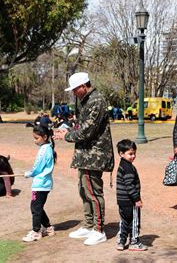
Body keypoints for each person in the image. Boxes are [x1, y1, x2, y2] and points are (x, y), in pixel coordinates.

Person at [54, 72, 114, 246]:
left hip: (94, 154)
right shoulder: (83, 100)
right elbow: (80, 125)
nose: (73, 93)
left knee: (93, 192)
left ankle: (99, 229)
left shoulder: (97, 100)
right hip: (85, 153)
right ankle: (89, 225)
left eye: (75, 90)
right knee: (83, 189)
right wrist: (68, 131)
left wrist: (67, 136)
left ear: (83, 86)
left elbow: (87, 130)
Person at [22, 125, 57, 242]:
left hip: (41, 184)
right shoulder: (46, 148)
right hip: (41, 183)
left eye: (36, 138)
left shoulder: (45, 150)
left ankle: (36, 231)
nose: (34, 141)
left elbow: (38, 167)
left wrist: (29, 173)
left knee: (35, 208)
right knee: (37, 207)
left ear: (45, 137)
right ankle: (48, 228)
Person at [115, 139, 147, 251]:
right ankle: (134, 241)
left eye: (134, 153)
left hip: (122, 201)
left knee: (124, 221)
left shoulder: (122, 164)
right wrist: (137, 199)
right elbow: (129, 185)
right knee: (134, 221)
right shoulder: (128, 168)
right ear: (121, 153)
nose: (133, 156)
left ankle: (121, 241)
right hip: (130, 201)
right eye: (130, 154)